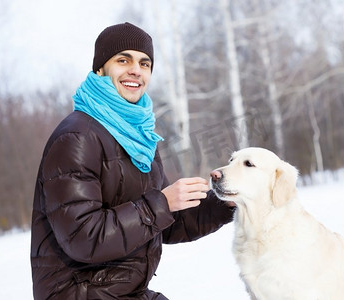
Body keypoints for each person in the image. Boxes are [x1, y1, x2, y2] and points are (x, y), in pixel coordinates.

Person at [30, 22, 235, 300]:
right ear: (100, 69)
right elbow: (83, 237)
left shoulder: (139, 136)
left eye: (144, 63)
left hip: (123, 290)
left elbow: (167, 222)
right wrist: (161, 203)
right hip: (78, 292)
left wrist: (226, 202)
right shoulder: (76, 138)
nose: (136, 70)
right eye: (123, 60)